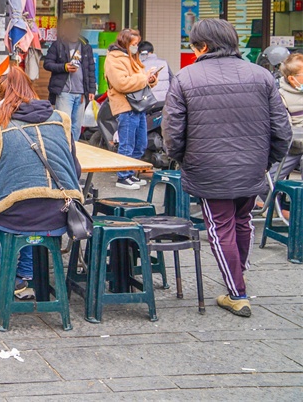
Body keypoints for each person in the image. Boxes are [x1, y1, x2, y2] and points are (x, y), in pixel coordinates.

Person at [163, 19, 291, 318]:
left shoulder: (185, 78)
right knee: (242, 221)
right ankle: (238, 280)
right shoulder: (261, 76)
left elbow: (172, 133)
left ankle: (237, 292)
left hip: (208, 167)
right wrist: (265, 160)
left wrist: (182, 159)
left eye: (193, 45)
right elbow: (281, 130)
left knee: (220, 229)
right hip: (252, 166)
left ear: (203, 46)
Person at [0, 70, 83, 296]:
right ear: (31, 91)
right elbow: (76, 170)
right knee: (35, 203)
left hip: (14, 217)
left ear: (0, 97)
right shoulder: (61, 120)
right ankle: (26, 275)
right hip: (60, 215)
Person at [103, 28, 158, 190]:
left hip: (138, 104)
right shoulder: (114, 58)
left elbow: (140, 78)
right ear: (125, 42)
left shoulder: (130, 56)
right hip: (125, 105)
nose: (136, 47)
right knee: (127, 143)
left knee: (140, 143)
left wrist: (151, 79)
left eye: (137, 44)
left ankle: (130, 173)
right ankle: (123, 176)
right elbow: (121, 83)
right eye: (134, 44)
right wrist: (143, 78)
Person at [43, 18, 97, 144]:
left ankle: (75, 150)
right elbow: (48, 64)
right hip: (64, 92)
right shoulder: (58, 45)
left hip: (81, 92)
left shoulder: (85, 46)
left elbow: (90, 69)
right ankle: (63, 149)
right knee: (64, 124)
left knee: (77, 126)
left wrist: (91, 89)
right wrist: (64, 67)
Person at [270, 52, 303, 189]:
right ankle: (281, 209)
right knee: (267, 183)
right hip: (292, 147)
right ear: (292, 78)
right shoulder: (279, 96)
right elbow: (284, 129)